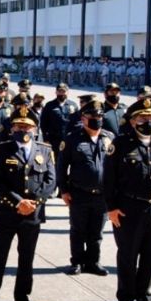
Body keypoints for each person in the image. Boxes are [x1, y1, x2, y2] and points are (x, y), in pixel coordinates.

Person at [104, 99, 151, 301]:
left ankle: (144, 298)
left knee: (149, 256)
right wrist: (112, 208)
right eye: (143, 118)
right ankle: (125, 299)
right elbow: (108, 180)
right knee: (127, 255)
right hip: (129, 209)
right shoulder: (121, 144)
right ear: (133, 121)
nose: (148, 121)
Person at [0, 107, 56, 301]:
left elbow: (51, 180)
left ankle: (22, 297)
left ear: (35, 129)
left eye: (27, 126)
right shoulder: (1, 149)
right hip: (8, 212)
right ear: (11, 128)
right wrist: (18, 202)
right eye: (18, 125)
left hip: (32, 214)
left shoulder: (44, 150)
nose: (23, 129)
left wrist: (34, 202)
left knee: (27, 258)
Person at [57, 100, 113, 276]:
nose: (96, 119)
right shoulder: (72, 138)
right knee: (78, 230)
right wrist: (64, 191)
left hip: (102, 195)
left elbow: (118, 167)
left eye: (99, 116)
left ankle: (93, 262)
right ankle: (77, 262)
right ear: (83, 118)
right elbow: (61, 166)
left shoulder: (109, 138)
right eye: (92, 117)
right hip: (79, 193)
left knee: (96, 232)